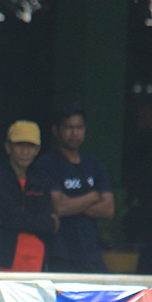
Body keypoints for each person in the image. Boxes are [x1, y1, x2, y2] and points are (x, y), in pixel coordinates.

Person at [37, 103, 114, 272]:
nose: (74, 133)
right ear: (56, 130)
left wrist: (73, 204)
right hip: (60, 253)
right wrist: (93, 197)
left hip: (92, 253)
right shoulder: (47, 164)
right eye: (68, 128)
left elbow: (108, 209)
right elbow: (59, 207)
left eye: (79, 127)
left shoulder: (94, 164)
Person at [0, 120, 59, 271]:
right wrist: (47, 222)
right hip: (4, 262)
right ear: (8, 147)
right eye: (19, 145)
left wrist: (13, 219)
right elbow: (9, 217)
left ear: (37, 149)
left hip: (37, 261)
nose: (25, 151)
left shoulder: (41, 179)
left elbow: (11, 218)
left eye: (30, 146)